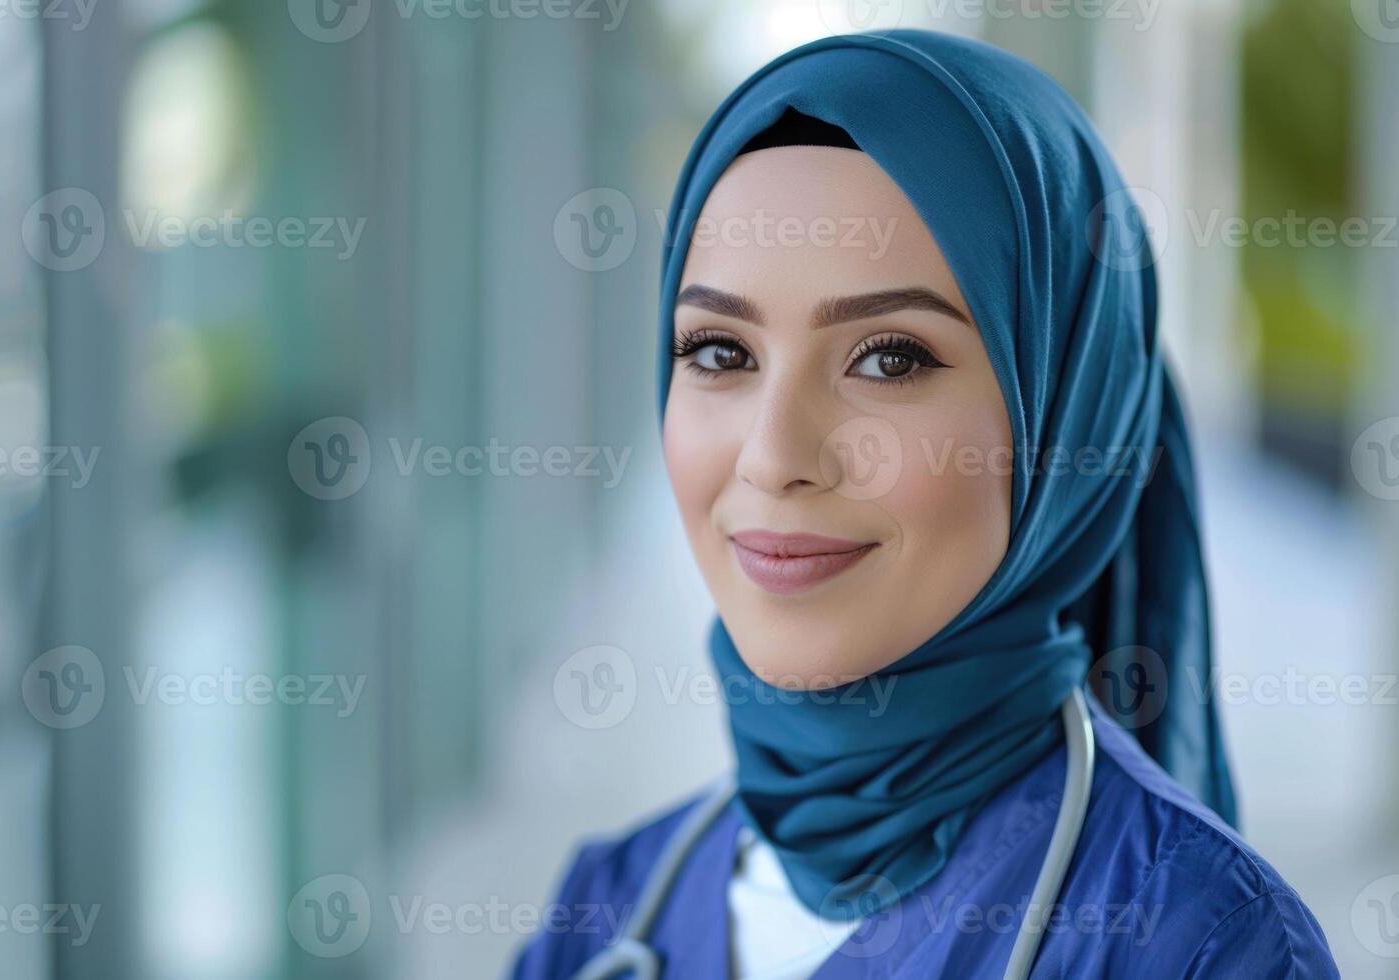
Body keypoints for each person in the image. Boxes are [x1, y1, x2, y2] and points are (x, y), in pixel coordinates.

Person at [511, 29, 1340, 979]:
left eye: (889, 359)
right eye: (719, 352)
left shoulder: (1201, 944)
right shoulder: (608, 911)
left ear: (1064, 423)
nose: (774, 458)